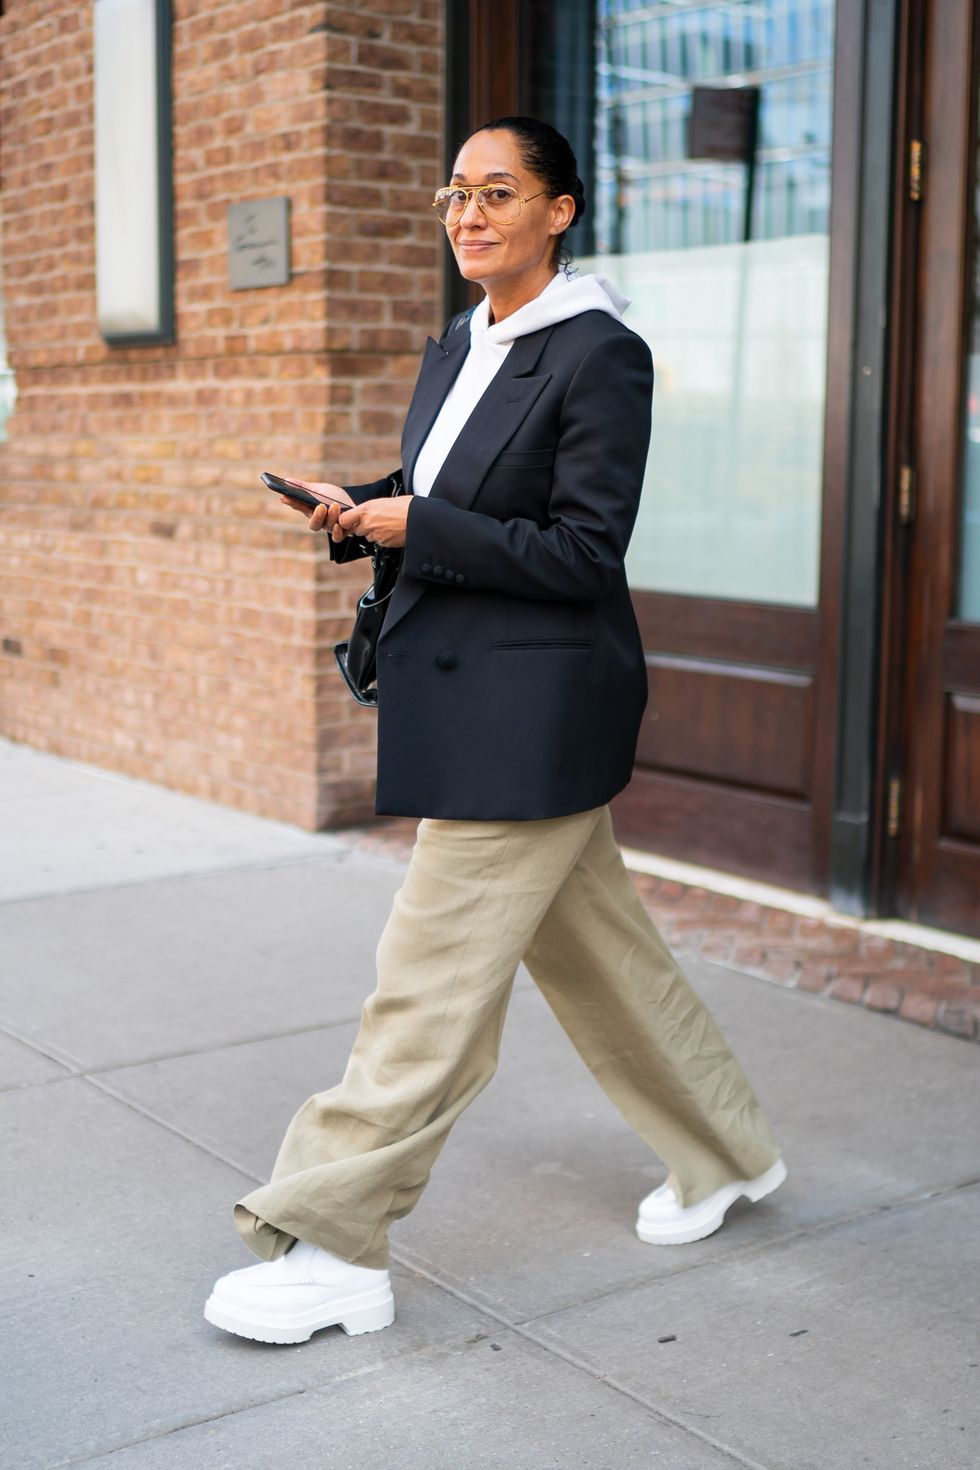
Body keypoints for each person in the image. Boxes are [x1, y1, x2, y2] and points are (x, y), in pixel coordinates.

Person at [204, 116, 786, 1346]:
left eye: (499, 192)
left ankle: (335, 1238)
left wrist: (423, 528)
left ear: (559, 211)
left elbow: (583, 553)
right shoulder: (464, 342)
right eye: (454, 193)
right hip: (472, 698)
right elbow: (458, 493)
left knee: (422, 993)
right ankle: (727, 1152)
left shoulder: (596, 355)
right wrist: (364, 504)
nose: (468, 213)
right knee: (604, 962)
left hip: (531, 716)